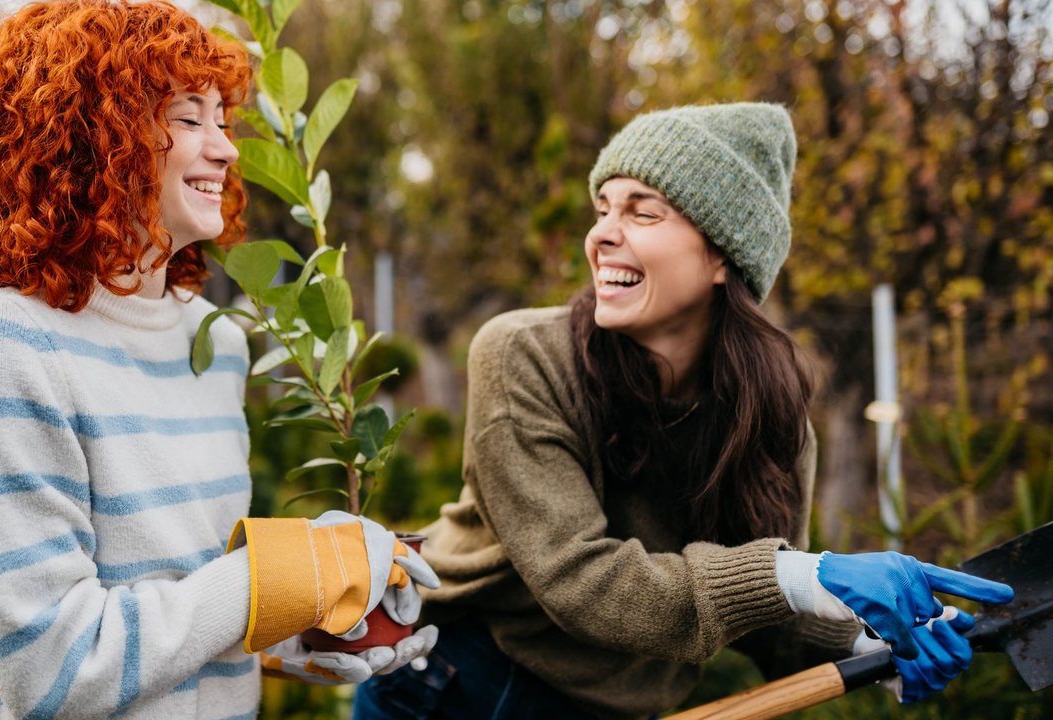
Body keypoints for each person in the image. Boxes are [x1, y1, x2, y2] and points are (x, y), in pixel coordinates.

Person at [352, 103, 1013, 720]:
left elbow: (763, 613)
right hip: (456, 687)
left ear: (723, 254)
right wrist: (803, 572)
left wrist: (873, 643)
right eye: (604, 206)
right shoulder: (524, 355)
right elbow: (582, 582)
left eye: (642, 212)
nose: (602, 235)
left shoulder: (774, 423)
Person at [0, 2, 436, 718]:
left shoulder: (213, 344)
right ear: (92, 134)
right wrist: (276, 577)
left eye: (222, 118)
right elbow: (54, 670)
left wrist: (292, 637)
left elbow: (183, 599)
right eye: (187, 117)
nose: (227, 149)